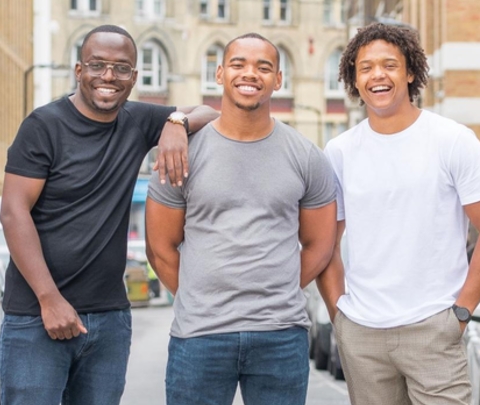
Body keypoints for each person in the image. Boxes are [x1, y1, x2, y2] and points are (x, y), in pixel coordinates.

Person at [0, 24, 218, 405]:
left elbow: (210, 112)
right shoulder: (43, 126)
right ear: (79, 70)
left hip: (108, 320)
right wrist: (49, 300)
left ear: (134, 77)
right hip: (37, 317)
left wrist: (176, 123)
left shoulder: (137, 121)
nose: (108, 77)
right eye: (98, 65)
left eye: (121, 68)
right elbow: (13, 213)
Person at [145, 33, 338, 405]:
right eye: (238, 64)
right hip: (200, 335)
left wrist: (273, 287)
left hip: (280, 336)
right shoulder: (181, 154)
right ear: (219, 73)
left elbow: (320, 245)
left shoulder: (306, 156)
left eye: (263, 67)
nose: (250, 74)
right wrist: (200, 297)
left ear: (278, 80)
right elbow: (160, 248)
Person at [323, 23, 480, 405]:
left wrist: (461, 313)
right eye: (366, 67)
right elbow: (324, 241)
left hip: (433, 328)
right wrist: (339, 315)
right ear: (353, 80)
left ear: (410, 72)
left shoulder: (452, 140)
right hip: (362, 333)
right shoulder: (339, 151)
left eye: (390, 65)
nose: (378, 75)